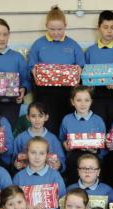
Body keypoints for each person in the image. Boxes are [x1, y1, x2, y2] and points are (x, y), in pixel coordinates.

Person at [28, 6, 85, 134]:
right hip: (45, 93)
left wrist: (77, 72)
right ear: (46, 26)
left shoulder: (73, 45)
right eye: (52, 29)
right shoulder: (38, 44)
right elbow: (31, 67)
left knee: (66, 124)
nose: (56, 32)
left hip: (67, 93)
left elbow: (81, 66)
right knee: (48, 125)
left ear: (65, 25)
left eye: (60, 29)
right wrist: (37, 72)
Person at [84, 10, 113, 128]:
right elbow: (85, 76)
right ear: (99, 28)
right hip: (96, 97)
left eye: (112, 27)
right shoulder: (90, 51)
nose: (109, 31)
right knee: (99, 127)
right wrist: (88, 85)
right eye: (105, 27)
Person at [58, 85, 108, 181]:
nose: (83, 104)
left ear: (91, 102)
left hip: (93, 161)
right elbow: (61, 140)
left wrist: (97, 151)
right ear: (72, 102)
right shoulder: (67, 120)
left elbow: (105, 145)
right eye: (79, 100)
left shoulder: (98, 121)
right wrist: (64, 145)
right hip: (73, 160)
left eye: (86, 100)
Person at [12, 102, 66, 174]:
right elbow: (13, 159)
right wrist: (15, 164)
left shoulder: (53, 139)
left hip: (48, 177)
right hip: (27, 178)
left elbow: (62, 159)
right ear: (28, 117)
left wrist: (60, 165)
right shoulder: (20, 138)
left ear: (46, 117)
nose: (37, 120)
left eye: (40, 116)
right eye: (33, 116)